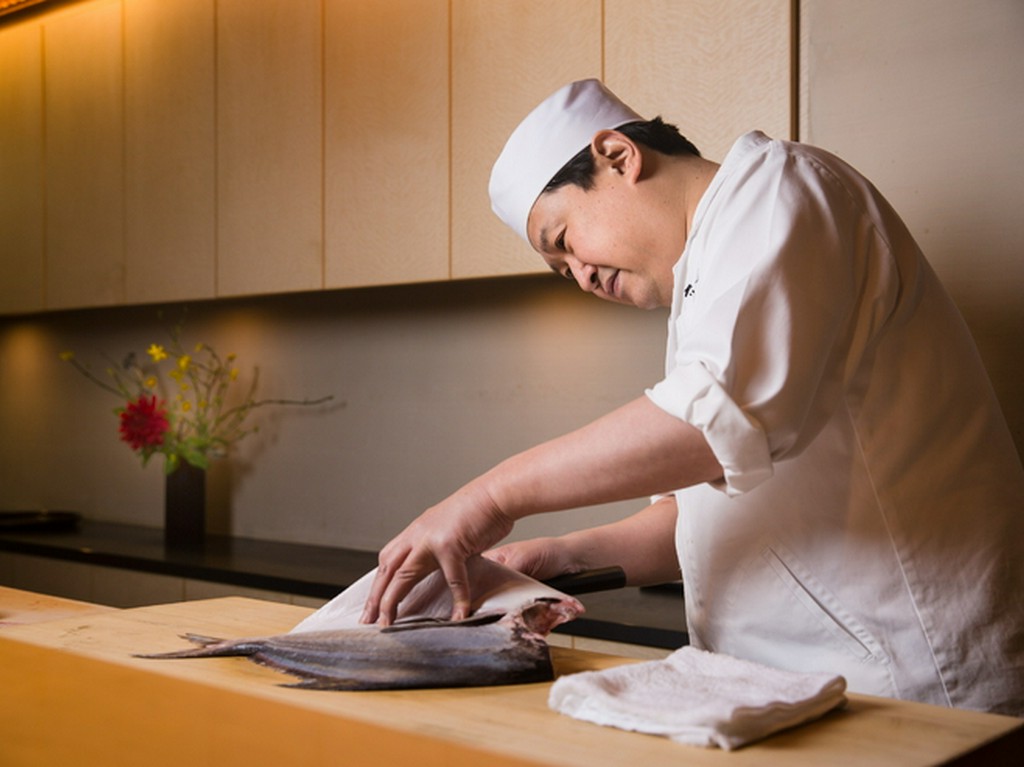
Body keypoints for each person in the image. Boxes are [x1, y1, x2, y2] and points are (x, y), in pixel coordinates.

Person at [360, 79, 1024, 715]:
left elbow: (708, 427)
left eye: (565, 241)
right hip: (784, 688)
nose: (581, 276)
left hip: (911, 680)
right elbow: (699, 523)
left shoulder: (781, 189)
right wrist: (553, 557)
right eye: (563, 271)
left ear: (617, 156)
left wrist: (487, 498)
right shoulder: (701, 288)